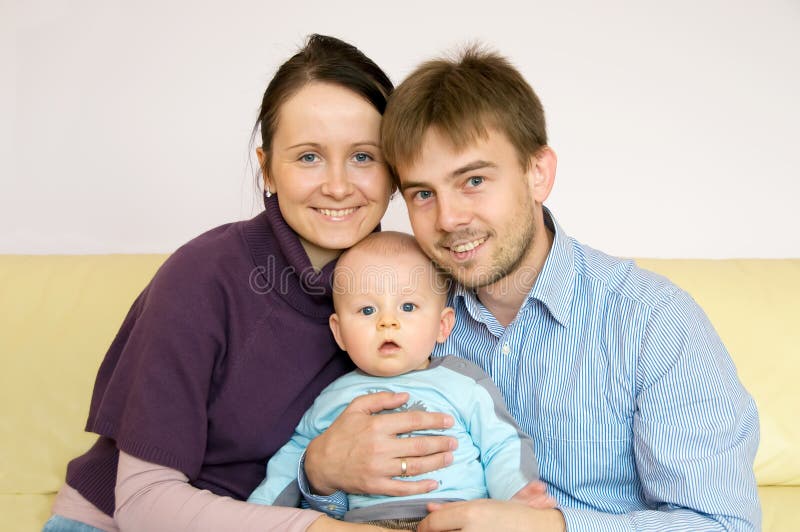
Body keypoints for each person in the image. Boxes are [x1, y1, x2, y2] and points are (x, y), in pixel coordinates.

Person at [300, 46, 761, 531]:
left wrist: (552, 527)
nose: (450, 218)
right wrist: (321, 474)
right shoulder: (394, 317)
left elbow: (724, 524)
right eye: (423, 194)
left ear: (537, 173)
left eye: (473, 180)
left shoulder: (653, 322)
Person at [43, 34, 459, 532]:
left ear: (394, 171)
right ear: (267, 169)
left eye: (363, 157)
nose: (338, 185)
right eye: (308, 157)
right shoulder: (201, 275)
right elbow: (143, 503)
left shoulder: (401, 283)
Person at [248, 231, 552, 529]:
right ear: (339, 332)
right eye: (367, 310)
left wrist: (517, 495)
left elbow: (501, 445)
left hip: (454, 516)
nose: (387, 322)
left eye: (408, 307)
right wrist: (258, 512)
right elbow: (293, 461)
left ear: (442, 325)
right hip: (367, 524)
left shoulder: (464, 383)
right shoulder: (333, 398)